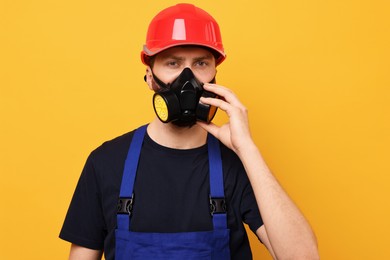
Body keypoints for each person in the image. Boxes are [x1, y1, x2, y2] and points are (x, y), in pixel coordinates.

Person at [60, 3, 319, 260]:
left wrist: (247, 148)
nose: (188, 78)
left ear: (215, 74)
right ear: (150, 76)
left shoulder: (238, 164)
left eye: (201, 63)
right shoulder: (105, 163)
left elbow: (303, 258)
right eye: (173, 63)